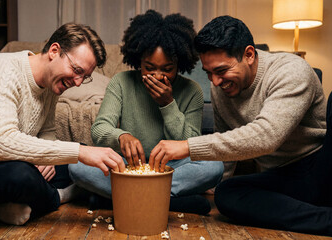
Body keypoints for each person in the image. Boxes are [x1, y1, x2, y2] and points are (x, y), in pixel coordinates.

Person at [147, 15, 332, 238]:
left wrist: (187, 146)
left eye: (221, 71)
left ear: (249, 55)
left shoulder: (291, 70)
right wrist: (216, 181)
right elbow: (227, 140)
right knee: (227, 194)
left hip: (326, 166)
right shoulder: (220, 88)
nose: (214, 82)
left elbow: (267, 136)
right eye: (208, 73)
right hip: (285, 177)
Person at [0, 23, 125, 226]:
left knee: (82, 159)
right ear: (54, 51)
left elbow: (47, 131)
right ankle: (58, 196)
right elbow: (0, 144)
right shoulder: (0, 70)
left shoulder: (51, 83)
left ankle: (2, 206)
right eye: (76, 70)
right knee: (22, 175)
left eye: (85, 76)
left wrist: (49, 160)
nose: (78, 82)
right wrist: (78, 153)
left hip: (1, 164)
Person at [68, 10, 224, 215]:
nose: (158, 76)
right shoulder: (122, 82)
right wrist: (121, 136)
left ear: (179, 64)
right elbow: (99, 129)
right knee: (76, 165)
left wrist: (167, 104)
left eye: (167, 69)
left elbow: (192, 144)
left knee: (215, 166)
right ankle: (172, 202)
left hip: (171, 169)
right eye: (149, 67)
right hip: (126, 167)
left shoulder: (191, 90)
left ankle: (117, 198)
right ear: (138, 60)